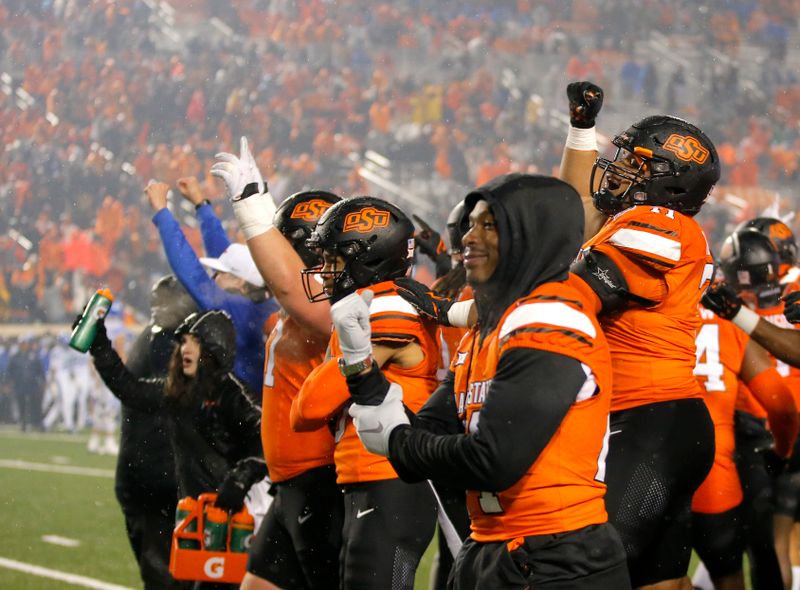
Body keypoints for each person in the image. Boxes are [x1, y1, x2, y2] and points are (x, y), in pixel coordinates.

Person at [339, 173, 630, 589]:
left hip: (556, 557)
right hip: (494, 547)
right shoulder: (488, 327)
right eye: (470, 224)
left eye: (489, 225)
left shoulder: (552, 319)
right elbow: (426, 432)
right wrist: (360, 366)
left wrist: (398, 440)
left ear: (533, 237)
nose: (468, 239)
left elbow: (493, 461)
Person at [558, 81, 718, 589]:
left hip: (650, 419)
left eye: (636, 163)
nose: (620, 168)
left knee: (591, 569)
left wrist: (470, 312)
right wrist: (581, 130)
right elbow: (574, 209)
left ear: (668, 182)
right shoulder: (638, 220)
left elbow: (576, 293)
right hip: (663, 421)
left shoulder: (658, 221)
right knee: (659, 582)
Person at [210, 139, 345, 589]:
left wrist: (252, 205)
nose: (271, 253)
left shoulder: (332, 305)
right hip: (290, 484)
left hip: (322, 484)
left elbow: (291, 286)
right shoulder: (296, 309)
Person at [290, 196, 440, 590]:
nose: (323, 272)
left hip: (391, 479)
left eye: (334, 259)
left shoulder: (387, 308)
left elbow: (308, 408)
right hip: (377, 479)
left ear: (367, 258)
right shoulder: (380, 303)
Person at [87, 309, 266, 590]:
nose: (185, 348)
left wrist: (243, 475)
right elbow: (130, 389)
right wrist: (100, 345)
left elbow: (264, 438)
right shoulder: (179, 394)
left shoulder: (231, 394)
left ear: (213, 348)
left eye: (194, 341)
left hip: (234, 517)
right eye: (183, 342)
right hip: (194, 515)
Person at [704, 228, 800, 590]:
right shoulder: (789, 290)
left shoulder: (719, 310)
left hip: (749, 433)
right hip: (772, 432)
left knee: (756, 544)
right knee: (767, 543)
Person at [145, 179, 278, 397]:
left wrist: (162, 212)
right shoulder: (260, 301)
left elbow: (190, 271)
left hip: (249, 407)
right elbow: (222, 251)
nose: (214, 277)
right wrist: (201, 205)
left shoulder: (235, 310)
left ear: (241, 283)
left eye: (221, 273)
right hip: (262, 402)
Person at [114, 275, 197, 590]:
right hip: (155, 477)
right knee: (168, 575)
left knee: (172, 574)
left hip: (151, 476)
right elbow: (169, 396)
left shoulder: (158, 336)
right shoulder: (163, 340)